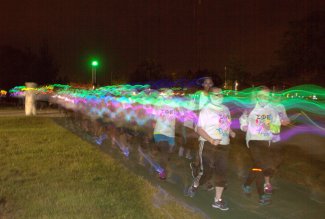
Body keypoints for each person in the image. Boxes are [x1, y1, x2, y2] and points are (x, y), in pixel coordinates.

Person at [185, 87, 235, 211]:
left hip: (224, 145)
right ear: (211, 96)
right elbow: (199, 129)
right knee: (206, 172)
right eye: (215, 94)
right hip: (208, 144)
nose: (218, 96)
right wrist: (211, 140)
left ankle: (217, 200)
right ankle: (195, 185)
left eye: (220, 94)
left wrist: (231, 132)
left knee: (221, 172)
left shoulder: (226, 109)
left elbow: (225, 125)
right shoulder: (206, 110)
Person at [240, 86, 281, 205]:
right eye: (262, 96)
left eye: (267, 96)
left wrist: (271, 127)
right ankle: (261, 195)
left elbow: (277, 127)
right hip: (253, 140)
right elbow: (243, 118)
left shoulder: (272, 110)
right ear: (258, 96)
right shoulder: (251, 108)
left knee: (257, 165)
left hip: (265, 141)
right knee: (262, 167)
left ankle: (246, 184)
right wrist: (244, 126)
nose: (264, 98)